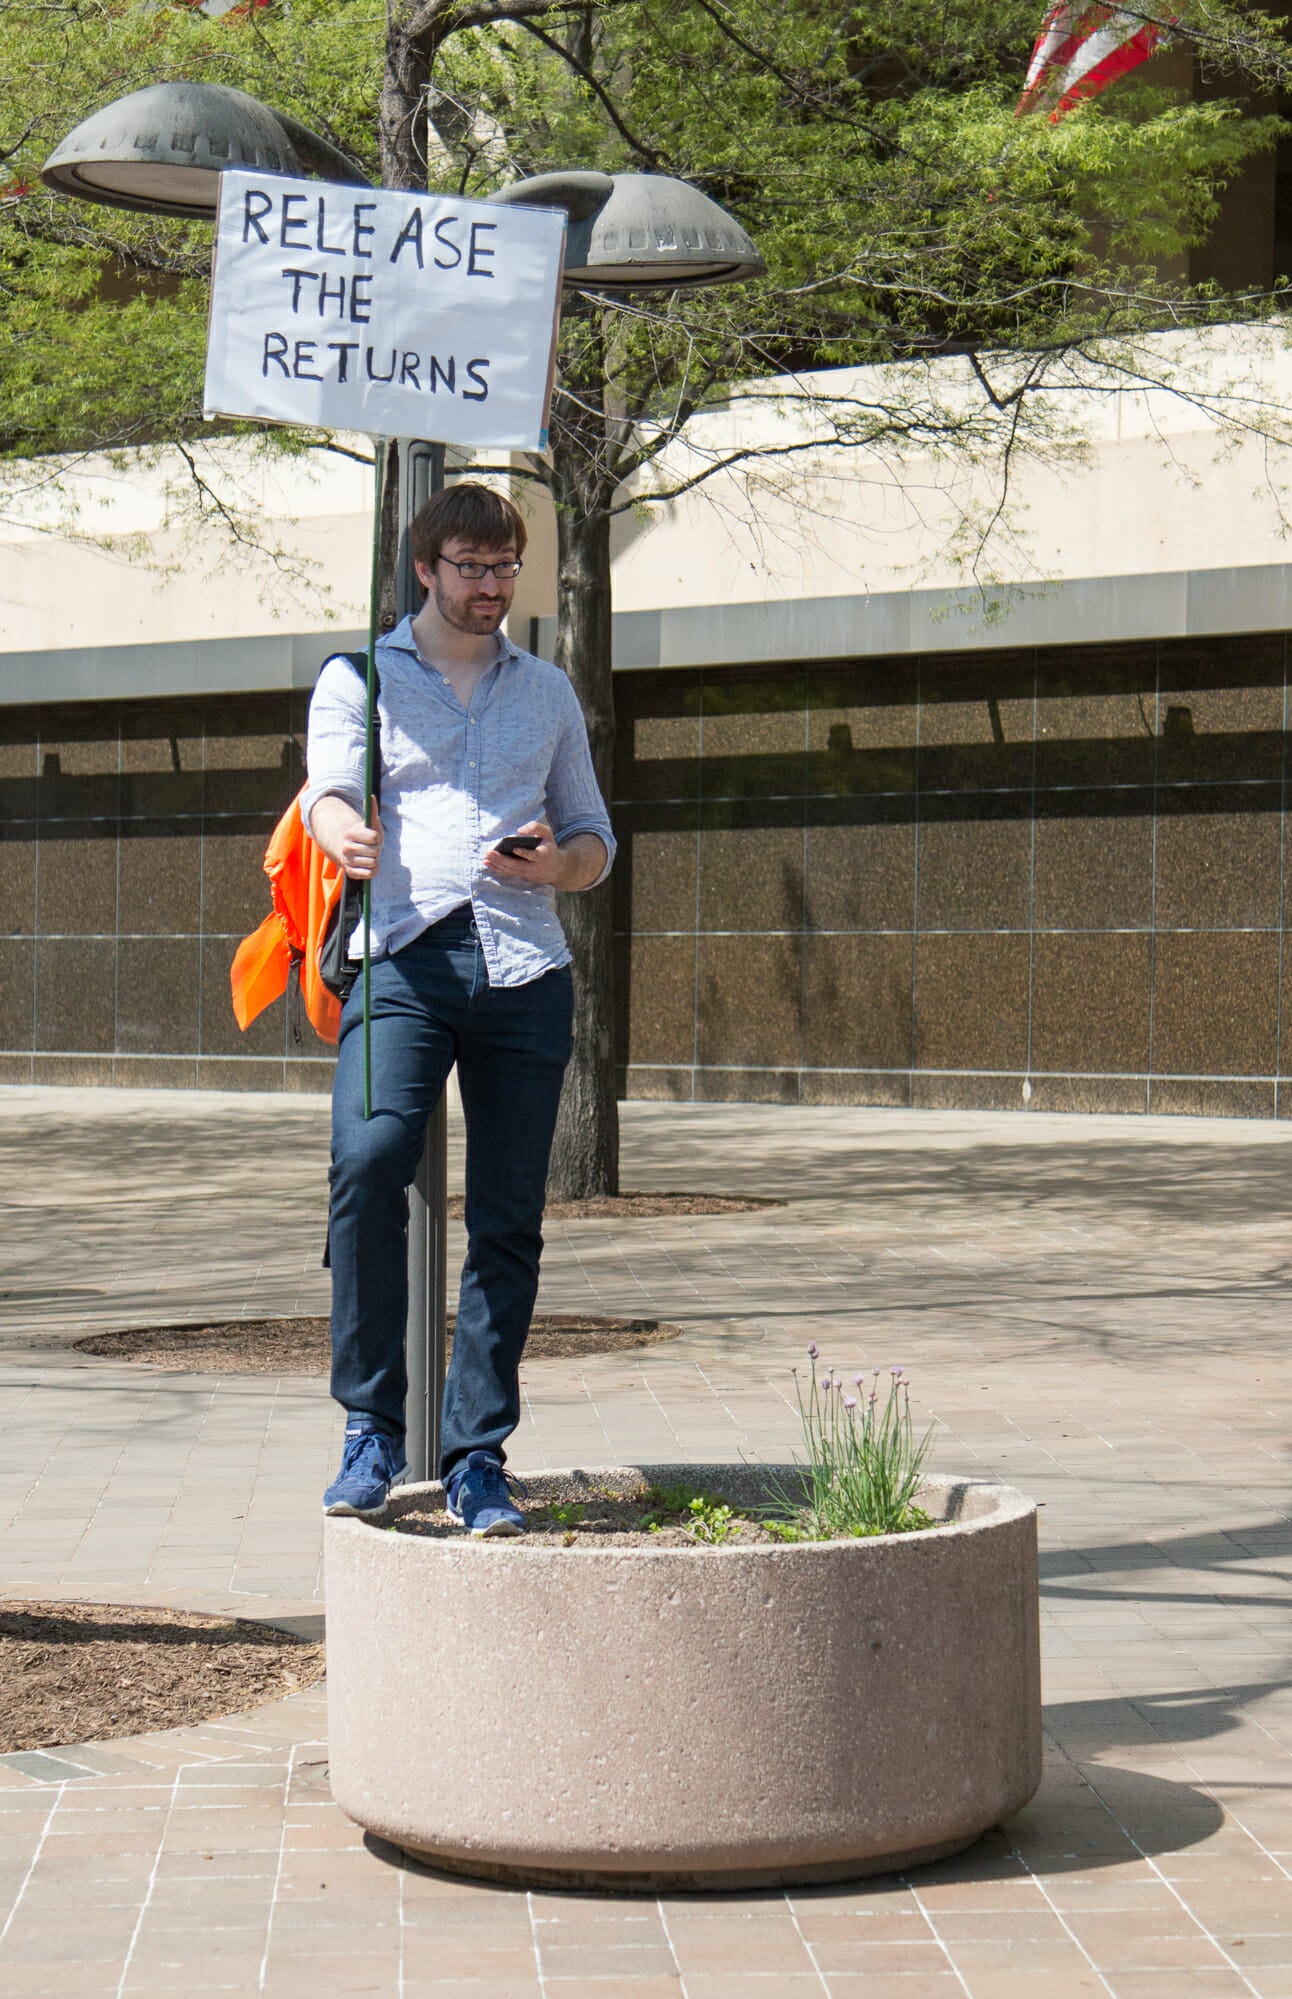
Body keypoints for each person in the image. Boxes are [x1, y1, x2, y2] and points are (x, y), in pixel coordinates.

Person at [303, 482, 614, 1536]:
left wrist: (556, 863)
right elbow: (326, 788)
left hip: (524, 968)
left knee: (508, 1219)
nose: (487, 586)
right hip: (403, 956)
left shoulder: (549, 693)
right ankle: (369, 1429)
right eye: (468, 567)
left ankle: (477, 1454)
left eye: (502, 567)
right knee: (369, 1159)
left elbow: (593, 838)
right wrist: (342, 825)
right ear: (424, 569)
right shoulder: (360, 677)